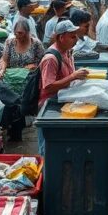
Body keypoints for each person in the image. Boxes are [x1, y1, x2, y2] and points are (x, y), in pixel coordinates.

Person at [36, 21, 88, 154]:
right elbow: (47, 87)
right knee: (47, 148)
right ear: (61, 37)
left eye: (75, 36)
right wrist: (73, 77)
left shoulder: (68, 52)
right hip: (49, 107)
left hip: (62, 103)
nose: (76, 39)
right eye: (72, 36)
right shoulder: (51, 59)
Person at [0, 6, 46, 78]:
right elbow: (5, 60)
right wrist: (2, 70)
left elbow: (44, 61)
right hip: (12, 77)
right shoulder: (10, 42)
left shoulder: (36, 43)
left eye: (20, 33)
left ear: (27, 32)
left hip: (30, 78)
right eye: (16, 33)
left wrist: (35, 65)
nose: (17, 35)